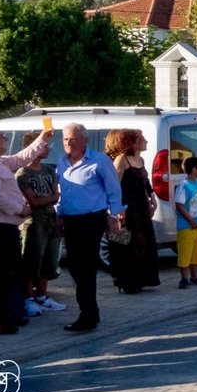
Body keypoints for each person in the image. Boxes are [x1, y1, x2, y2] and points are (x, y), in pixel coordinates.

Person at [0, 124, 53, 335]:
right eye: (1, 136)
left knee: (8, 274)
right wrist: (19, 209)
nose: (5, 138)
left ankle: (4, 316)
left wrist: (42, 139)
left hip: (4, 227)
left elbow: (19, 159)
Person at [56, 123, 124, 332]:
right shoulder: (61, 161)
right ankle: (88, 311)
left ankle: (88, 315)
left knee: (85, 267)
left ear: (85, 140)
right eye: (66, 139)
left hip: (92, 219)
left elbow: (113, 188)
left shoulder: (99, 160)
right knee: (75, 268)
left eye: (74, 139)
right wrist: (58, 215)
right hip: (70, 219)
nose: (70, 143)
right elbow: (62, 191)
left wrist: (114, 215)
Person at [15, 131, 66, 313]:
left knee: (48, 259)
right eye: (45, 145)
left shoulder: (49, 170)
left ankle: (42, 295)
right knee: (31, 260)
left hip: (49, 219)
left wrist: (48, 198)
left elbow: (55, 196)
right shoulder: (22, 173)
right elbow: (33, 201)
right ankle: (28, 297)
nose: (49, 148)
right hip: (33, 222)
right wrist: (49, 198)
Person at [109, 129, 160, 294]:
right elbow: (114, 186)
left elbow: (146, 183)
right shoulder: (121, 160)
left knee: (144, 242)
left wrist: (152, 198)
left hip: (141, 207)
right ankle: (127, 281)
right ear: (132, 142)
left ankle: (143, 279)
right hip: (127, 208)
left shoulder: (141, 160)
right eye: (141, 139)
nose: (145, 141)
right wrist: (115, 209)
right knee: (127, 243)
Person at [174, 156, 197, 289]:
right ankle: (184, 277)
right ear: (194, 169)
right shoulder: (184, 185)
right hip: (186, 227)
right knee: (185, 251)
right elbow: (180, 204)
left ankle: (196, 276)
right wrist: (190, 220)